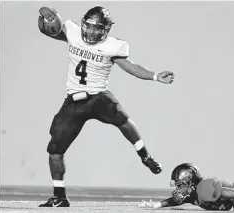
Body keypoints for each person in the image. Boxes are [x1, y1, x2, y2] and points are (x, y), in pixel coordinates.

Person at [38, 6, 175, 207]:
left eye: (97, 28)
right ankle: (60, 196)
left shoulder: (113, 46)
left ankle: (145, 156)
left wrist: (155, 76)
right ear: (83, 23)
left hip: (98, 97)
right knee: (55, 150)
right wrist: (44, 17)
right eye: (89, 26)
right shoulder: (72, 31)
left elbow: (132, 68)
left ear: (106, 29)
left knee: (123, 120)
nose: (92, 32)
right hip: (73, 101)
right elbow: (49, 30)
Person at [139, 163, 234, 212]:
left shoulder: (204, 188)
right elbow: (173, 201)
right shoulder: (193, 195)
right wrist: (155, 205)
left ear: (191, 182)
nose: (179, 190)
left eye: (181, 185)